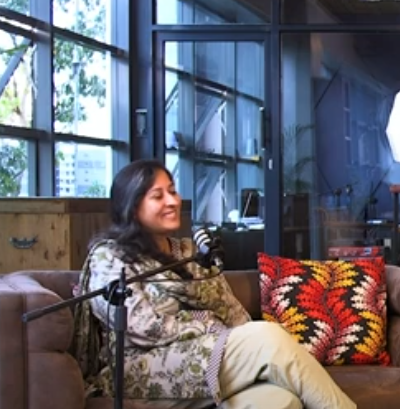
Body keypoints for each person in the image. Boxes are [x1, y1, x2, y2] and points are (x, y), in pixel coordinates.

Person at [72, 159, 355, 409]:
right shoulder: (110, 257)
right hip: (142, 368)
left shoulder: (190, 252)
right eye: (157, 196)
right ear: (132, 208)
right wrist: (209, 326)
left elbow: (231, 311)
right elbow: (145, 329)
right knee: (268, 338)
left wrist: (241, 335)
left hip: (207, 356)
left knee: (279, 400)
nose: (172, 201)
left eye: (172, 191)